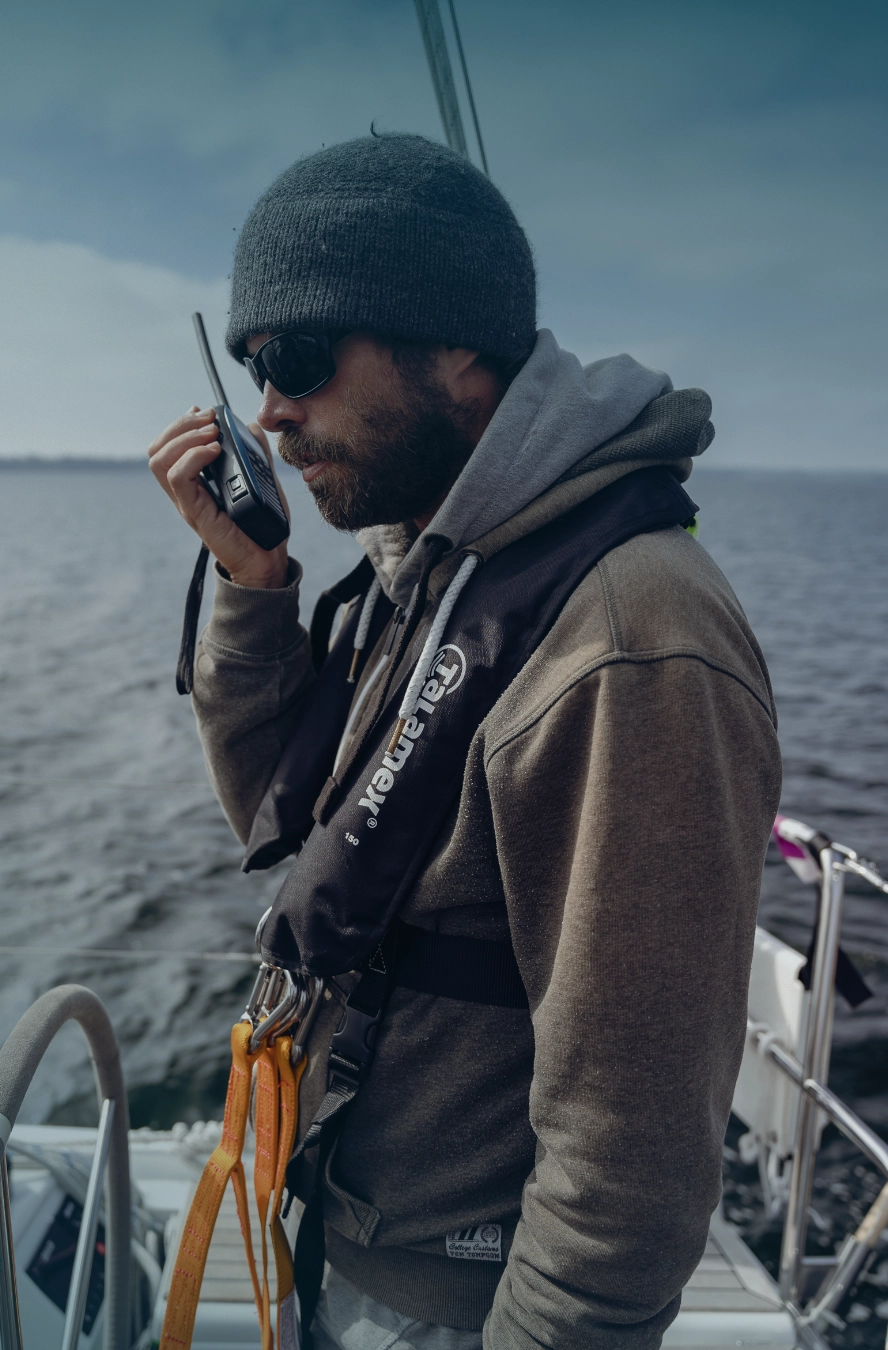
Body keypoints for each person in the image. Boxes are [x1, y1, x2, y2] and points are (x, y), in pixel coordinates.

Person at [148, 133, 781, 1350]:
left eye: (298, 357)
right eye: (252, 367)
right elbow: (302, 833)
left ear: (456, 349)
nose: (270, 412)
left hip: (464, 1302)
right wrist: (254, 582)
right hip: (351, 1225)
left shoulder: (628, 639)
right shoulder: (438, 567)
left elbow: (633, 1150)